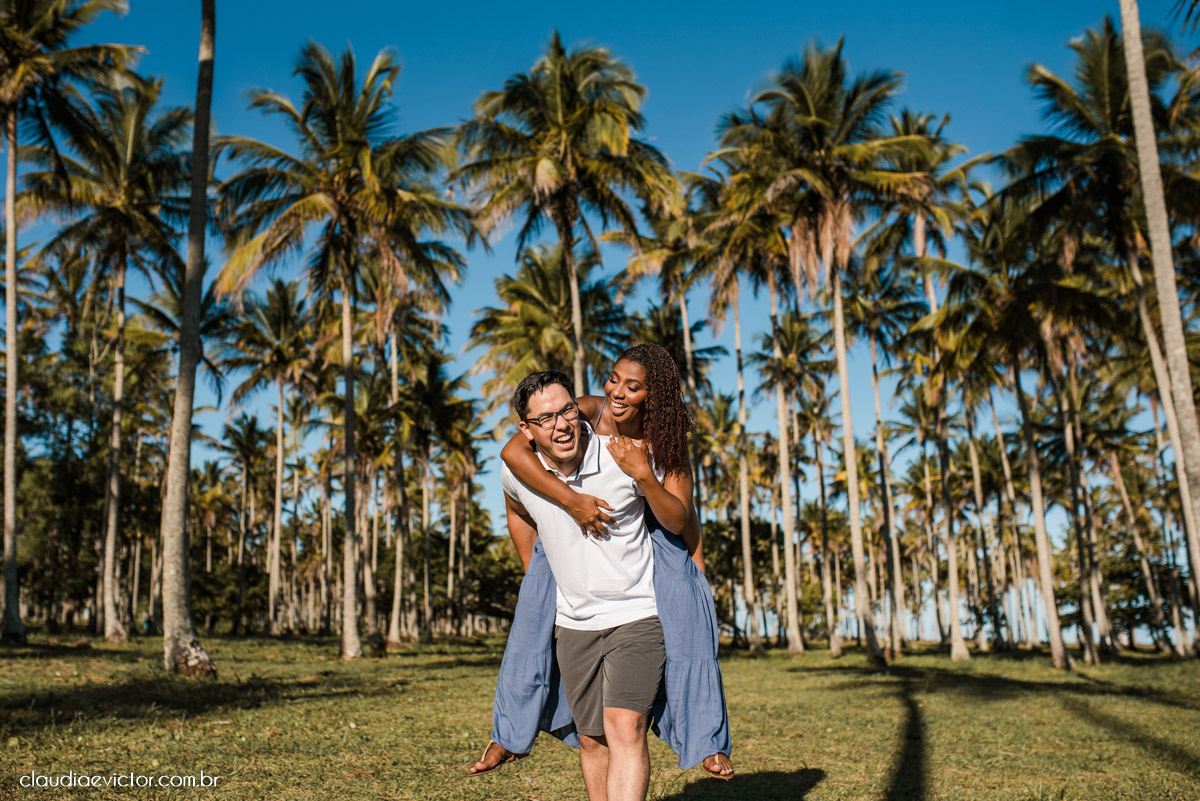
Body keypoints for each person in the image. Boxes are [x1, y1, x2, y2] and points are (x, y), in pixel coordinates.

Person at [469, 345, 733, 781]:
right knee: (592, 738)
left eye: (633, 387)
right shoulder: (584, 413)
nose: (618, 392)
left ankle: (706, 738)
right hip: (576, 618)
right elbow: (512, 461)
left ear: (654, 397)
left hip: (637, 602)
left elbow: (683, 520)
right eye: (614, 379)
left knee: (625, 724)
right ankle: (508, 735)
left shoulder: (657, 447)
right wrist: (550, 546)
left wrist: (693, 571)